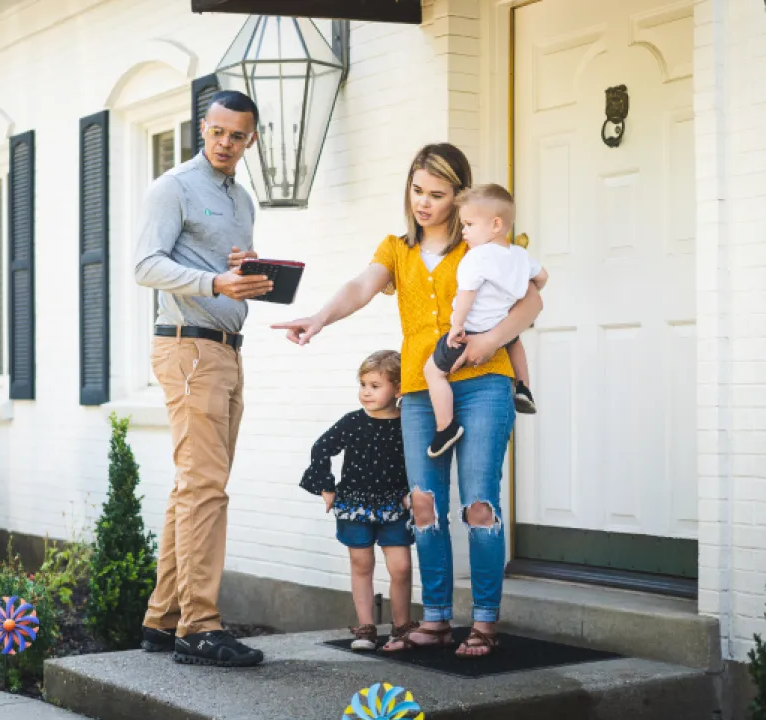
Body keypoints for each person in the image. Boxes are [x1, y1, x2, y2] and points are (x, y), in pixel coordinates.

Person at [274, 143, 543, 658]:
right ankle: (436, 618)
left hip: (486, 382)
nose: (424, 203)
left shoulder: (481, 240)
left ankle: (485, 621)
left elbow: (533, 298)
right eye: (417, 191)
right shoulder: (396, 250)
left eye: (437, 194)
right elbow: (361, 285)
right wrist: (318, 318)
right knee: (423, 504)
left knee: (480, 502)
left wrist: (488, 342)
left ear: (459, 196)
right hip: (421, 391)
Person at [134, 90, 275, 668]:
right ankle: (200, 626)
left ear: (252, 139)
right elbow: (146, 265)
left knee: (194, 487)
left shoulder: (241, 199)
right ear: (203, 127)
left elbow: (220, 266)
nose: (224, 143)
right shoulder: (172, 187)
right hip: (188, 348)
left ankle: (163, 619)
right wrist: (216, 284)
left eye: (237, 136)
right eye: (217, 132)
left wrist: (244, 273)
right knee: (204, 488)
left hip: (226, 351)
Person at [299, 350, 416, 651]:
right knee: (361, 563)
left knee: (401, 566)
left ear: (399, 388)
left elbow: (421, 460)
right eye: (363, 384)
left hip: (394, 506)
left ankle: (402, 627)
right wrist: (325, 486)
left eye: (375, 386)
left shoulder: (409, 424)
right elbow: (321, 448)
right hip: (354, 504)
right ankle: (366, 628)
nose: (366, 392)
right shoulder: (352, 422)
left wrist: (412, 490)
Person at [424, 184, 548, 458]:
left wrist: (457, 325)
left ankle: (446, 427)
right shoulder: (519, 255)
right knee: (514, 341)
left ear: (495, 224)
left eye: (468, 224)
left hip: (472, 330)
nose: (464, 231)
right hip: (501, 324)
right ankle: (524, 387)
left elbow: (467, 294)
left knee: (433, 371)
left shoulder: (476, 257)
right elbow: (542, 278)